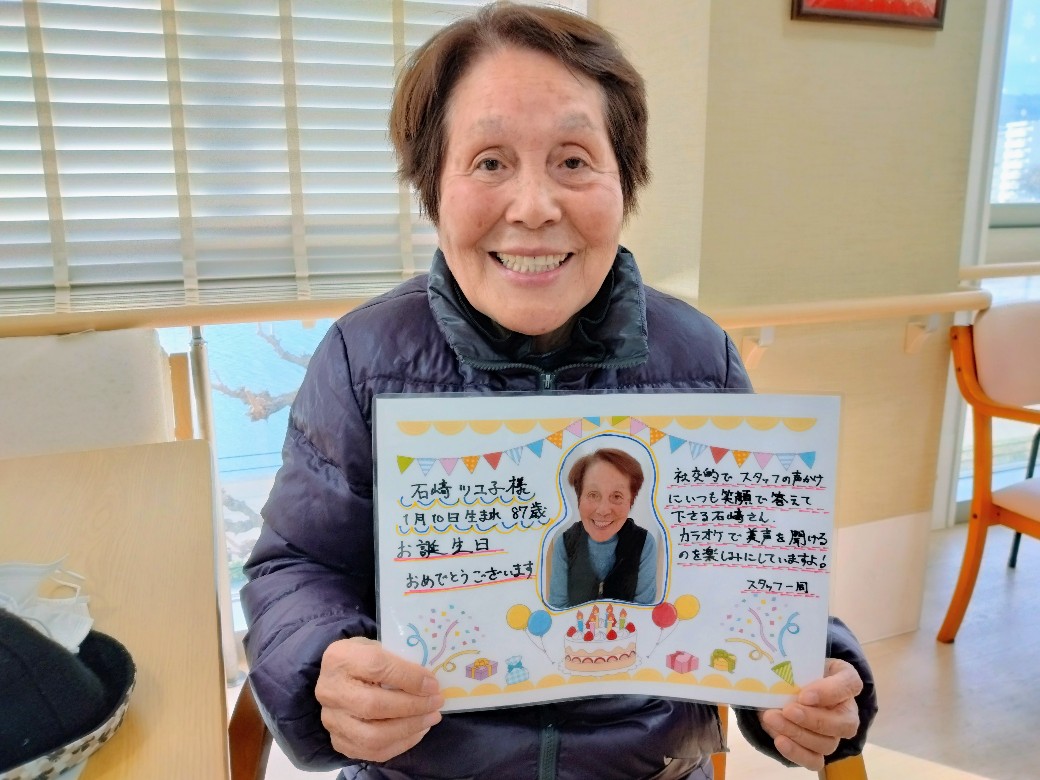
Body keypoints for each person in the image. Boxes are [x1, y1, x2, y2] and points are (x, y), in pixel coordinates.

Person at [241, 3, 878, 779]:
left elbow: (750, 570)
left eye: (574, 161)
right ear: (432, 186)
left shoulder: (700, 356)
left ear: (624, 182)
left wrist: (808, 676)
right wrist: (324, 660)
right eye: (489, 162)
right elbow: (297, 564)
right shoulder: (362, 356)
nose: (535, 207)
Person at [548, 447, 657, 608]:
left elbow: (643, 609)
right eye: (593, 495)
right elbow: (558, 608)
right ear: (579, 498)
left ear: (630, 501)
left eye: (617, 496)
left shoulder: (644, 543)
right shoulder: (564, 543)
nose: (603, 510)